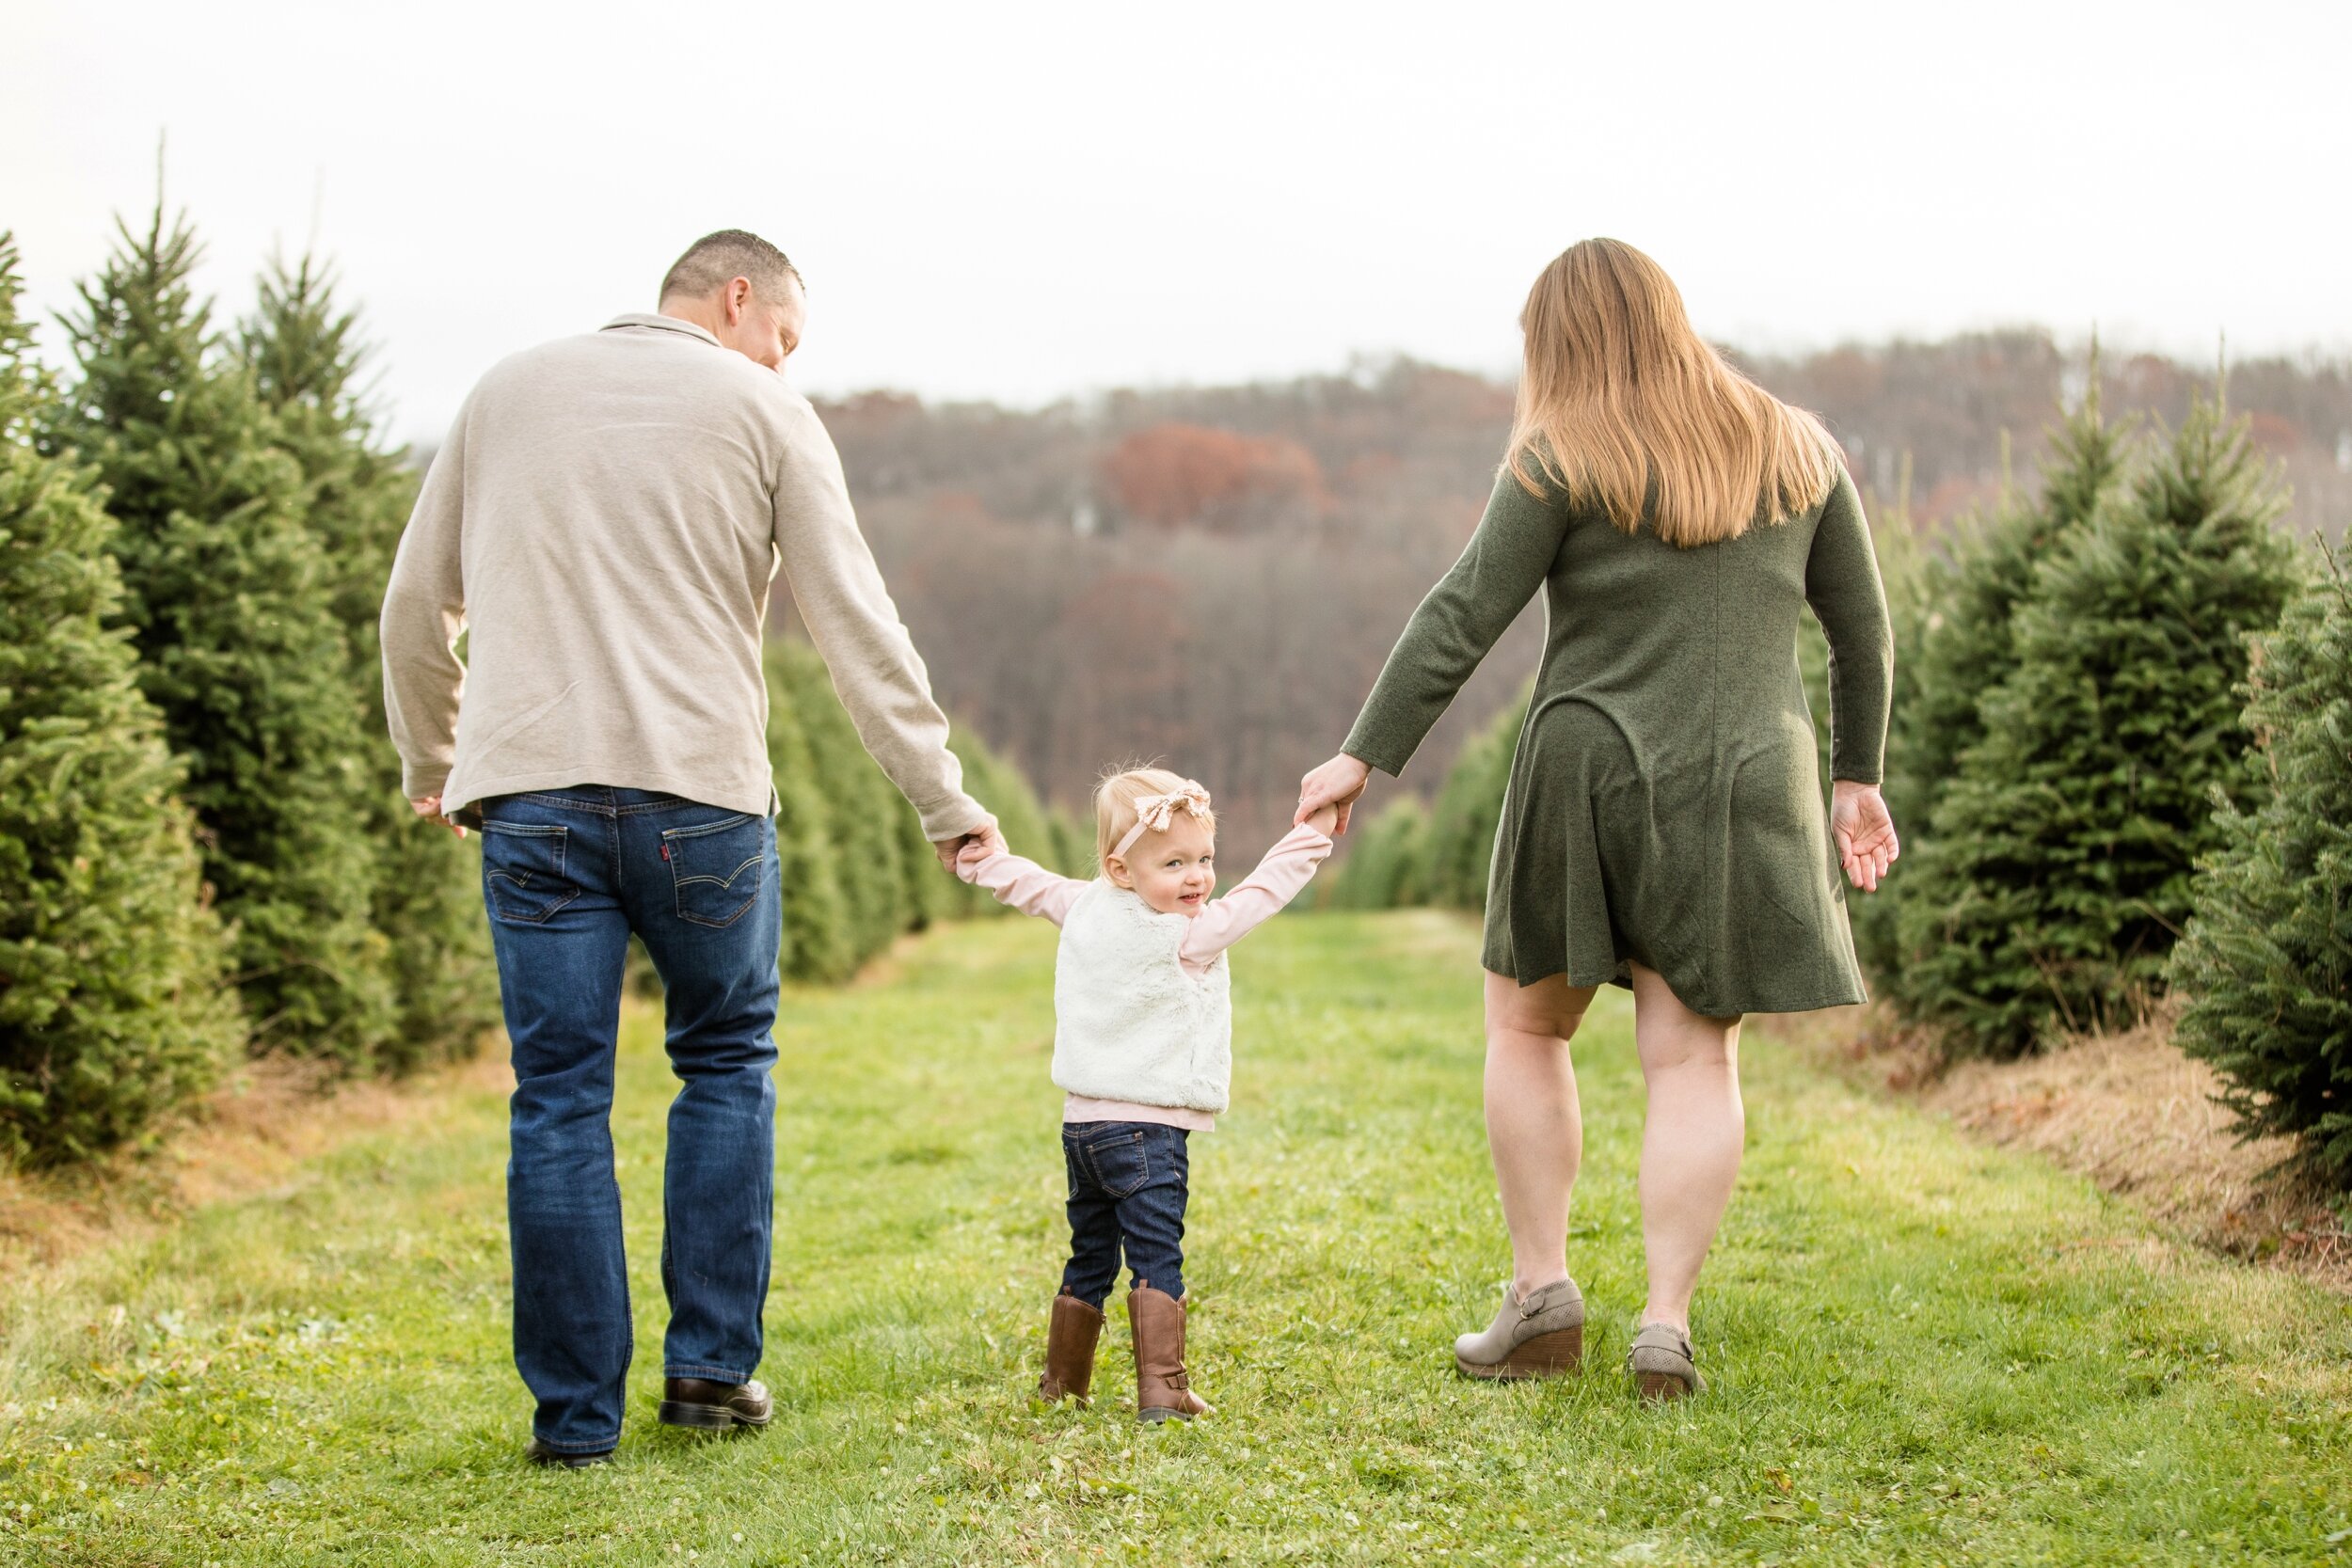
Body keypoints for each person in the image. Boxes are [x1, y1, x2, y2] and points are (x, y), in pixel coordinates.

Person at [379, 230, 997, 1466]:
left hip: (535, 799)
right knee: (724, 1062)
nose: (787, 359)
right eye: (787, 336)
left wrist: (434, 764)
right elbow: (854, 622)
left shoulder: (505, 389)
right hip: (701, 802)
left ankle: (573, 1419)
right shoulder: (765, 411)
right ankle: (712, 1370)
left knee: (558, 1097)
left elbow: (414, 599)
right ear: (735, 298)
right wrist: (942, 797)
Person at [1295, 238, 1898, 1401]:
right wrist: (1854, 775)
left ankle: (1542, 1293)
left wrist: (1362, 752)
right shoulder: (1800, 446)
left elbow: (1465, 609)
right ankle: (1664, 1322)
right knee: (1693, 1055)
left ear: (1560, 343)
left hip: (1590, 766)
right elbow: (1862, 633)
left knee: (1527, 1029)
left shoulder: (1561, 454)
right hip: (1749, 776)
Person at [956, 768, 1336, 1421]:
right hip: (1148, 1131)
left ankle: (1062, 1384)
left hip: (1082, 1129)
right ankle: (1164, 1389)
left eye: (1205, 859)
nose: (1198, 878)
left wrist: (976, 855)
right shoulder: (1186, 935)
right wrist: (1315, 832)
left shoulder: (1080, 905)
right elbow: (1264, 893)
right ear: (1121, 869)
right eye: (1174, 862)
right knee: (1157, 1252)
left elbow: (1023, 882)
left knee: (1091, 1251)